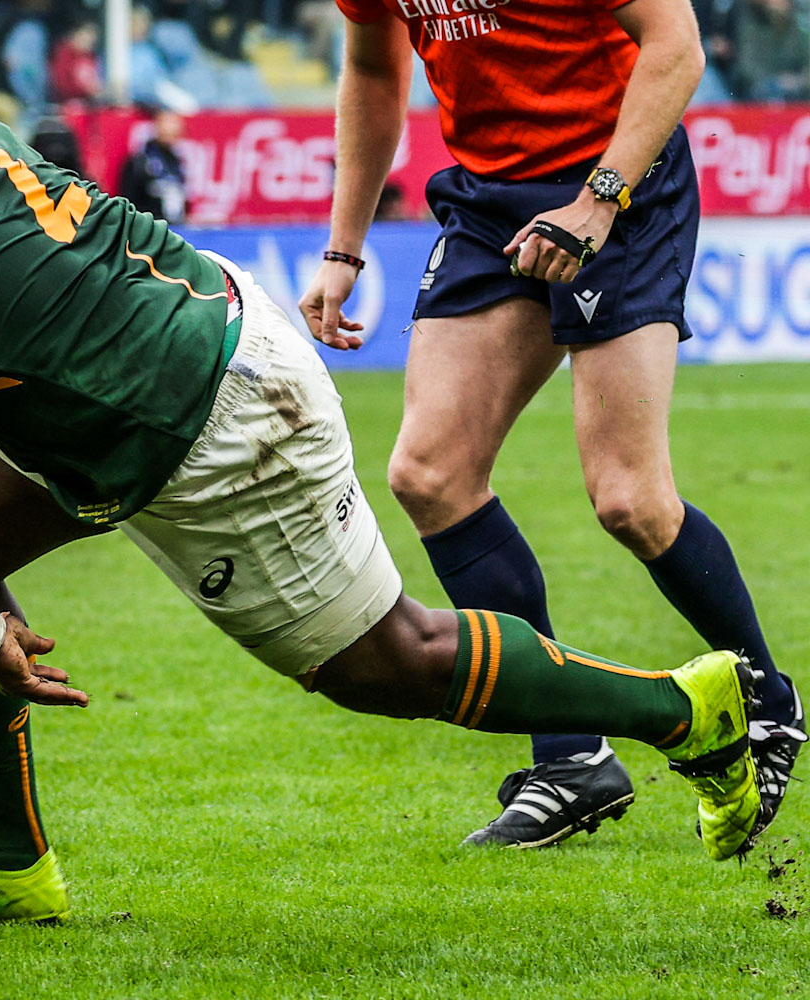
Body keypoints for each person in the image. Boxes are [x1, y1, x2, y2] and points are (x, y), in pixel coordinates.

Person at [0, 84, 762, 923]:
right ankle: (6, 861)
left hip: (206, 425)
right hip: (195, 313)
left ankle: (683, 709)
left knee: (382, 663)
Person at [301, 0, 803, 848]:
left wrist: (600, 200)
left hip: (623, 183)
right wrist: (344, 247)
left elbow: (674, 44)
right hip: (490, 199)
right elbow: (375, 69)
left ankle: (767, 704)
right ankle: (572, 760)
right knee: (430, 474)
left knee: (630, 501)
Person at [118, 106, 187, 223]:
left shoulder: (177, 162)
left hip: (174, 227)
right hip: (149, 228)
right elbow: (128, 200)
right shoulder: (139, 162)